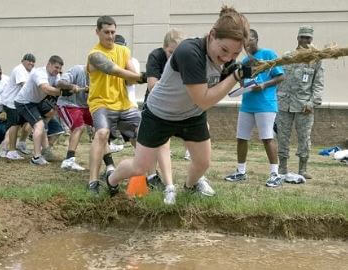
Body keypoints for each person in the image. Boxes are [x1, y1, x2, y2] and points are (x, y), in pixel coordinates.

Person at [106, 6, 252, 205]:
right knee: (141, 168)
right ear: (212, 35)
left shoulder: (224, 58)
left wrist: (236, 72)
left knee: (202, 163)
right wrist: (235, 76)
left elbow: (213, 90)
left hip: (191, 116)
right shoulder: (189, 52)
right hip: (159, 114)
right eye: (224, 50)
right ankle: (111, 179)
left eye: (235, 54)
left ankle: (190, 187)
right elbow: (204, 99)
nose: (228, 58)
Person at [87, 15, 147, 193]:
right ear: (97, 32)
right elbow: (112, 69)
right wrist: (143, 76)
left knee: (145, 132)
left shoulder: (123, 51)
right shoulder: (94, 55)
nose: (110, 36)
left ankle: (149, 175)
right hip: (101, 104)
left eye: (113, 32)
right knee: (102, 133)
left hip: (124, 104)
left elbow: (130, 80)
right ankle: (93, 182)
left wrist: (136, 77)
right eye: (106, 32)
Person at [224, 29, 285, 188]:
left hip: (266, 104)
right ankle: (241, 171)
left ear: (256, 39)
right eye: (244, 40)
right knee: (241, 138)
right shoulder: (245, 61)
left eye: (249, 38)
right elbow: (242, 81)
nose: (246, 42)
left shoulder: (269, 54)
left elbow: (281, 76)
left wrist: (264, 85)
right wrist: (242, 84)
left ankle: (274, 174)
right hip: (247, 104)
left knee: (267, 138)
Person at [276, 25, 324, 179]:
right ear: (297, 38)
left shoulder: (315, 60)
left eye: (308, 38)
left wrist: (313, 102)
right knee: (282, 137)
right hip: (284, 104)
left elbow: (318, 83)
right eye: (302, 37)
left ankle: (302, 169)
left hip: (304, 106)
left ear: (312, 40)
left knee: (304, 137)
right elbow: (278, 77)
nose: (304, 40)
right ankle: (282, 168)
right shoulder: (288, 56)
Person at [144, 29, 185, 189]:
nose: (174, 57)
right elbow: (152, 86)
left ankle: (197, 179)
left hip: (178, 106)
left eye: (178, 53)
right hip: (155, 105)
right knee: (157, 142)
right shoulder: (156, 56)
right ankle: (152, 175)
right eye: (170, 52)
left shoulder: (186, 59)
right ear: (164, 48)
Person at [57, 64, 116, 173]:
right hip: (68, 105)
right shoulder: (76, 70)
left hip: (85, 107)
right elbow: (60, 83)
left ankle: (110, 166)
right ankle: (69, 160)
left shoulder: (98, 77)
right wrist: (71, 86)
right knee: (79, 127)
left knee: (101, 128)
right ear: (89, 64)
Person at [14, 55, 67, 165]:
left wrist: (70, 87)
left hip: (35, 102)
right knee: (39, 125)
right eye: (56, 67)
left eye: (59, 68)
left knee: (43, 123)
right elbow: (45, 88)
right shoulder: (39, 73)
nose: (58, 70)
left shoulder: (55, 75)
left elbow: (59, 85)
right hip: (24, 102)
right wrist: (62, 92)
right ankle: (36, 157)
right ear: (49, 64)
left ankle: (44, 151)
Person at [1, 53, 36, 160]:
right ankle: (7, 149)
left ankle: (20, 144)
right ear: (23, 61)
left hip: (22, 103)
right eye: (29, 60)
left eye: (33, 61)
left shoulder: (31, 71)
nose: (31, 63)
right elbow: (25, 86)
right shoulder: (19, 70)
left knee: (28, 123)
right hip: (12, 103)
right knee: (14, 125)